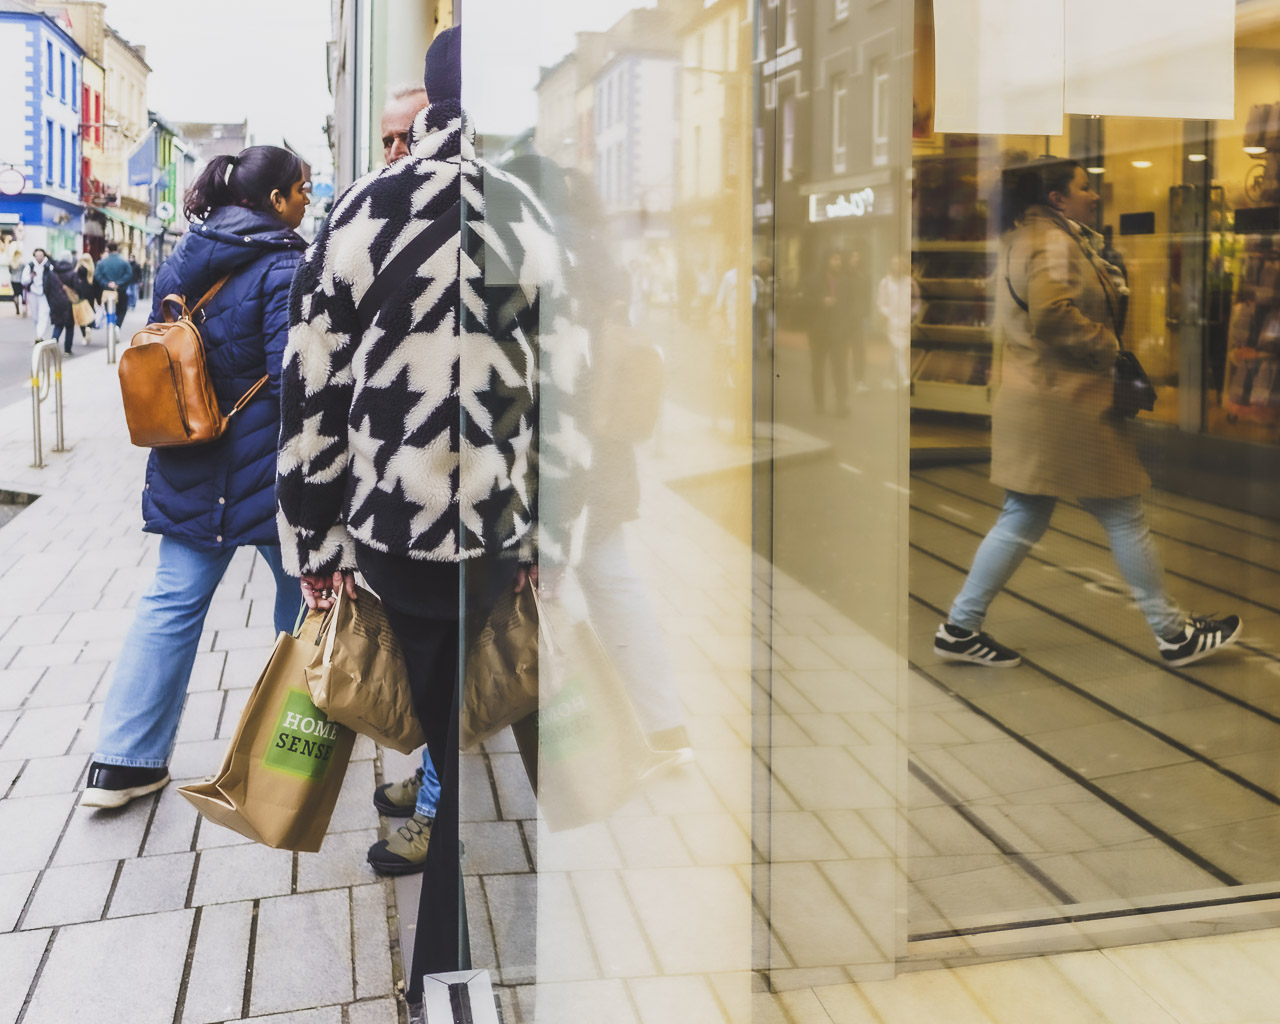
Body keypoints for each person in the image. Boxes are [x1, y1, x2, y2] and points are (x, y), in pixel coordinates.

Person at [278, 26, 577, 1002]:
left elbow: (311, 387)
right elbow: (567, 393)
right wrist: (548, 532)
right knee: (454, 719)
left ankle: (437, 948)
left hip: (390, 534)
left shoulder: (364, 208)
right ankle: (445, 953)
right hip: (492, 535)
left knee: (434, 718)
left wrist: (312, 538)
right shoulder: (528, 214)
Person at [934, 157, 1241, 670]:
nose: (1093, 195)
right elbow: (1052, 313)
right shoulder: (1052, 241)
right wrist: (1108, 347)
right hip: (1068, 403)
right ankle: (1173, 634)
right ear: (1057, 198)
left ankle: (960, 628)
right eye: (1084, 187)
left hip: (1036, 395)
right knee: (1123, 512)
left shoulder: (1017, 238)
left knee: (1023, 514)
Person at [82, 145, 311, 808]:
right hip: (267, 467)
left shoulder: (185, 255)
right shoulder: (284, 262)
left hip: (189, 453)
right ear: (275, 199)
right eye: (299, 190)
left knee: (170, 603)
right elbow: (290, 378)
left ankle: (122, 762)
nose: (304, 201)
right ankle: (295, 744)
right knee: (301, 601)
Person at [361, 80, 442, 878]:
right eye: (386, 140)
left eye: (404, 136)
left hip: (481, 511)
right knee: (439, 677)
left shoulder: (494, 212)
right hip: (396, 503)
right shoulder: (369, 215)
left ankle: (432, 815)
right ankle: (431, 787)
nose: (394, 152)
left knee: (450, 677)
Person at [809, 249, 853, 415]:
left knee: (840, 369)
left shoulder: (844, 281)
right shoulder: (815, 280)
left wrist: (847, 327)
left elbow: (850, 304)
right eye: (835, 259)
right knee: (817, 368)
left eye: (840, 260)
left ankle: (841, 404)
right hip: (818, 332)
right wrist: (821, 302)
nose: (838, 263)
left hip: (839, 332)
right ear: (827, 260)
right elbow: (805, 303)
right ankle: (819, 403)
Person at [876, 254, 920, 387]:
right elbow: (881, 303)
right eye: (894, 263)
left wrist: (912, 315)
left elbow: (917, 301)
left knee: (897, 351)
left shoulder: (911, 283)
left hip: (906, 323)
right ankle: (905, 379)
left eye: (899, 263)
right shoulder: (885, 282)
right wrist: (889, 316)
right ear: (891, 266)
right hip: (892, 324)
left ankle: (887, 379)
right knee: (897, 350)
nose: (897, 266)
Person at [51, 252, 91, 356]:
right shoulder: (73, 273)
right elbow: (78, 287)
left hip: (56, 301)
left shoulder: (54, 272)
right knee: (69, 326)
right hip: (70, 302)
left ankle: (51, 346)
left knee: (58, 325)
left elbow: (48, 287)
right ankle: (67, 350)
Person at [21, 248, 61, 342]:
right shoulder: (30, 266)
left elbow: (54, 279)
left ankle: (40, 336)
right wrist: (31, 276)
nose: (39, 258)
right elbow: (23, 281)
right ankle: (38, 334)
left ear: (44, 256)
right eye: (37, 255)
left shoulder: (48, 266)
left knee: (44, 313)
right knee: (35, 317)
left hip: (44, 294)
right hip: (33, 293)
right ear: (34, 256)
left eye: (41, 255)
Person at [96, 241, 133, 327]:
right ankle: (117, 326)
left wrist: (107, 283)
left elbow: (97, 275)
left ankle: (111, 325)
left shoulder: (102, 263)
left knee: (109, 310)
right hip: (121, 291)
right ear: (117, 249)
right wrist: (118, 283)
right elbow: (129, 274)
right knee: (122, 310)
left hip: (107, 291)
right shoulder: (124, 262)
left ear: (108, 249)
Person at [8, 249, 25, 316]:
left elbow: (10, 271)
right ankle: (23, 309)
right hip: (20, 280)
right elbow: (24, 272)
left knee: (16, 294)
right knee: (22, 294)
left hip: (13, 280)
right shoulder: (22, 263)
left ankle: (17, 309)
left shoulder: (11, 263)